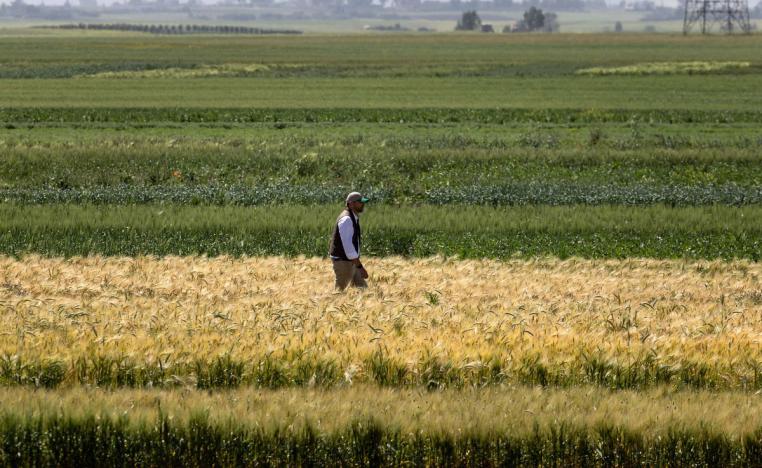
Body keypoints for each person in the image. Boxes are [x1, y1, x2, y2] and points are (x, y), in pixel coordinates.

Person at [329, 191, 370, 290]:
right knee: (340, 292)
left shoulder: (353, 217)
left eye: (363, 202)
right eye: (360, 202)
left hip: (351, 262)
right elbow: (348, 246)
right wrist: (360, 267)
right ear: (351, 204)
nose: (362, 204)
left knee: (364, 290)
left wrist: (357, 264)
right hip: (343, 262)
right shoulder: (347, 219)